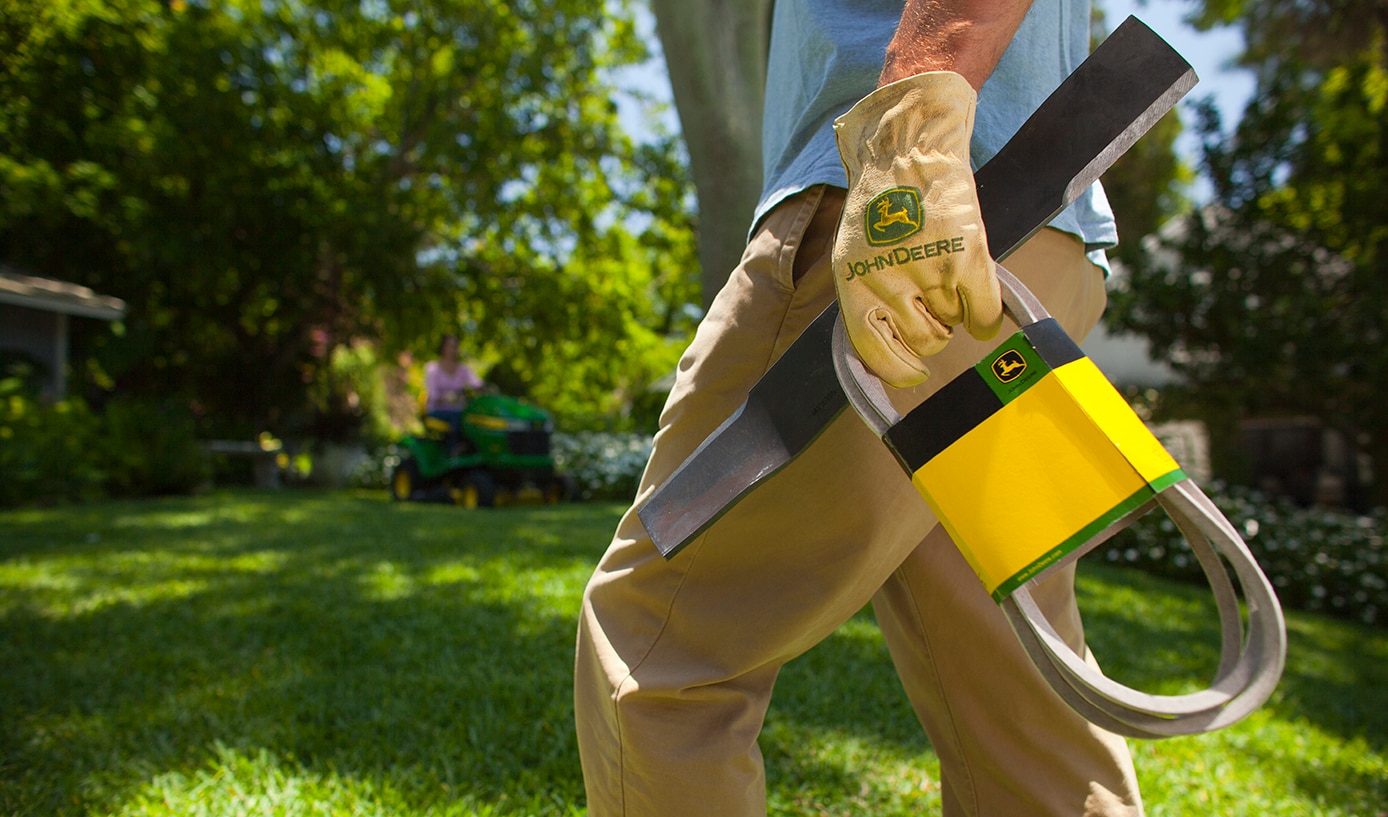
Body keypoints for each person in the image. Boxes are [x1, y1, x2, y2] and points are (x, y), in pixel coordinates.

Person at [575, 1, 1144, 815]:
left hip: (902, 231)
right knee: (1014, 697)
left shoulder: (904, 181)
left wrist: (910, 137)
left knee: (659, 648)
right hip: (1040, 245)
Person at [423, 333, 483, 446]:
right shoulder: (432, 369)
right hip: (437, 410)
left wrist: (484, 388)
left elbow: (476, 383)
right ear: (443, 347)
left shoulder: (462, 369)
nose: (453, 349)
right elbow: (433, 396)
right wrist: (448, 398)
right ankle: (454, 449)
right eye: (450, 346)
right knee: (459, 416)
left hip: (460, 409)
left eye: (455, 346)